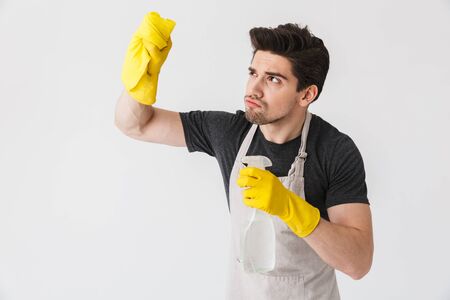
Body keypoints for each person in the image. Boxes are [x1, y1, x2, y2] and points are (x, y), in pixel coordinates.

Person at [115, 11, 373, 300]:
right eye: (253, 73)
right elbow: (136, 124)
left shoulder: (334, 150)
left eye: (273, 79)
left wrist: (291, 209)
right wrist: (138, 86)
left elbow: (358, 263)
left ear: (306, 94)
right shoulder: (230, 133)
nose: (254, 89)